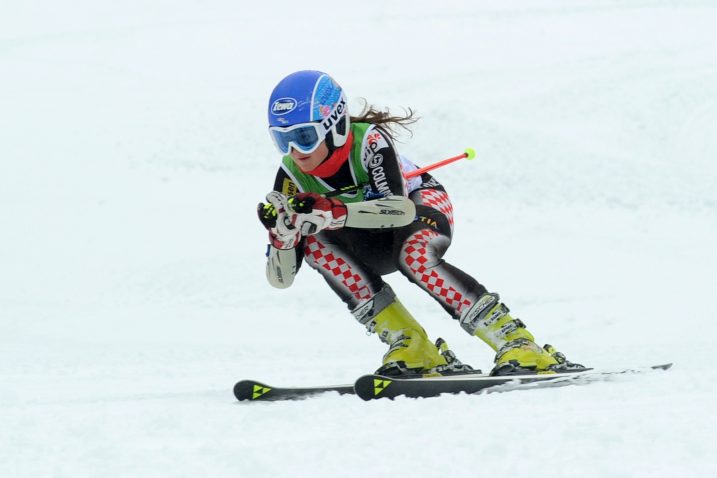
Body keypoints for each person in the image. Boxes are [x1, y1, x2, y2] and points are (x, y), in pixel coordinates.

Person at [257, 70, 582, 377]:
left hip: (419, 207)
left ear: (335, 125)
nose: (296, 151)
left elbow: (399, 211)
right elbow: (281, 280)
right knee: (314, 244)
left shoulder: (368, 141)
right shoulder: (291, 175)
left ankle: (515, 340)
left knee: (414, 255)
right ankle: (412, 344)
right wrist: (283, 237)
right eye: (283, 140)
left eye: (305, 136)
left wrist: (334, 211)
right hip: (367, 237)